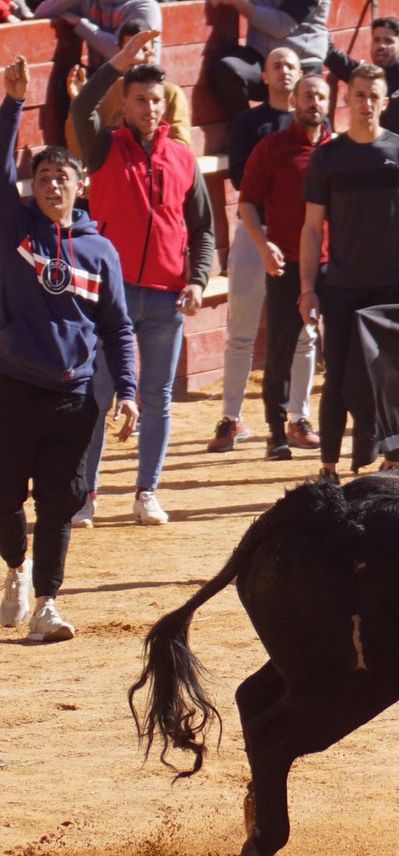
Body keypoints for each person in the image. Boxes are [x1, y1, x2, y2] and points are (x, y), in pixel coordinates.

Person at [1, 56, 138, 641]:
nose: (53, 184)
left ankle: (48, 603)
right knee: (5, 500)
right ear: (32, 186)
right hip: (11, 387)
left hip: (75, 396)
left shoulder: (100, 251)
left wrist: (128, 390)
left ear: (80, 186)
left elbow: (119, 326)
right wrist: (12, 106)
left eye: (64, 177)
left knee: (60, 506)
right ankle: (15, 569)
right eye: (44, 177)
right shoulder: (14, 229)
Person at [71, 29, 215, 528]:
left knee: (157, 398)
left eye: (156, 100)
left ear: (165, 105)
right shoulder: (103, 147)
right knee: (97, 396)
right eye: (139, 100)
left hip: (166, 299)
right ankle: (85, 494)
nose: (149, 108)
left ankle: (146, 491)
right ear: (125, 105)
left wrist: (198, 279)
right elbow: (79, 109)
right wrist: (117, 62)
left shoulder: (182, 158)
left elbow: (202, 230)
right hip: (110, 300)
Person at [298, 62, 399, 478]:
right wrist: (307, 288)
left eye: (375, 96)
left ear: (385, 102)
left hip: (392, 285)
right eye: (360, 95)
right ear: (347, 99)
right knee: (337, 377)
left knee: (391, 377)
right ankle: (328, 465)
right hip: (340, 286)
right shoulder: (327, 158)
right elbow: (310, 227)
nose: (367, 104)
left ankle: (393, 459)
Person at [205, 46, 318, 456]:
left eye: (291, 66)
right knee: (242, 329)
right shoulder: (248, 123)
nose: (285, 72)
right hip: (257, 232)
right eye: (277, 66)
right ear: (264, 77)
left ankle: (297, 416)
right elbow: (240, 178)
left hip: (301, 235)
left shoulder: (313, 122)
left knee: (305, 331)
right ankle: (232, 417)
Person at [239, 73, 331, 461]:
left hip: (335, 264)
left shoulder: (339, 149)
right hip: (287, 263)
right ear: (294, 101)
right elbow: (247, 203)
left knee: (341, 351)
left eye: (320, 96)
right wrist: (263, 246)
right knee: (280, 349)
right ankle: (277, 432)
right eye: (307, 95)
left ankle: (327, 424)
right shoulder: (272, 148)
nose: (314, 102)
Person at [32, 0, 161, 146]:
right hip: (101, 84)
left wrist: (82, 25)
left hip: (136, 84)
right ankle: (68, 153)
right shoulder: (90, 3)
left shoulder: (143, 5)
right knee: (69, 81)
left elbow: (123, 52)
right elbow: (42, 13)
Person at [64, 18, 190, 163]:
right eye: (131, 50)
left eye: (143, 49)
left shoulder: (171, 94)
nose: (138, 57)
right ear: (119, 53)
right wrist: (80, 103)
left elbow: (181, 151)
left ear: (153, 52)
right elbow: (80, 151)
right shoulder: (106, 94)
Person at [205, 0, 330, 116]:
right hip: (261, 57)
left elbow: (282, 26)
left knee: (299, 121)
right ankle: (245, 132)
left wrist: (238, 3)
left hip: (299, 65)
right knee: (227, 71)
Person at [324, 15, 399, 135]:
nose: (381, 46)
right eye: (376, 40)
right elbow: (330, 55)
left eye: (388, 41)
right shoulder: (363, 76)